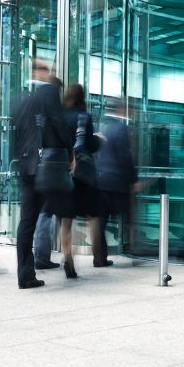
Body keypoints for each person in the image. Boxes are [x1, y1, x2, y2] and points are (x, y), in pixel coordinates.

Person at [12, 59, 73, 289]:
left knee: (27, 221)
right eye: (46, 70)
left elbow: (18, 133)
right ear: (42, 72)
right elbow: (58, 123)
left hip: (26, 165)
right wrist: (70, 152)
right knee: (61, 207)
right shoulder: (48, 92)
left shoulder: (20, 99)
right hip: (43, 166)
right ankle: (63, 254)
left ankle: (26, 274)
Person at [57, 84, 101, 278]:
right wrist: (99, 139)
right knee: (93, 216)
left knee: (66, 220)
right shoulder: (85, 117)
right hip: (83, 175)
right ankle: (98, 255)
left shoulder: (59, 117)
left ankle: (69, 259)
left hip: (64, 172)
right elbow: (90, 145)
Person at [95, 97, 138, 267]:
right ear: (122, 110)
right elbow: (124, 157)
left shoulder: (104, 127)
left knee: (101, 221)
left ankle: (99, 258)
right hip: (117, 182)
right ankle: (135, 250)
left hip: (102, 181)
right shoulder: (121, 129)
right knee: (130, 217)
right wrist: (133, 180)